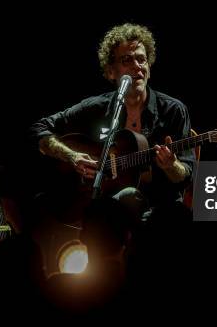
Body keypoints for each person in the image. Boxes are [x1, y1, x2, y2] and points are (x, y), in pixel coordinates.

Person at [29, 23, 195, 226]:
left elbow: (185, 176)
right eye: (127, 60)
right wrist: (71, 156)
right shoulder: (96, 107)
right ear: (110, 72)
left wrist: (172, 165)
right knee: (40, 204)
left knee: (131, 197)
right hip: (108, 211)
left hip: (160, 212)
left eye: (142, 59)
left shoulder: (173, 110)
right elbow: (39, 128)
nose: (137, 66)